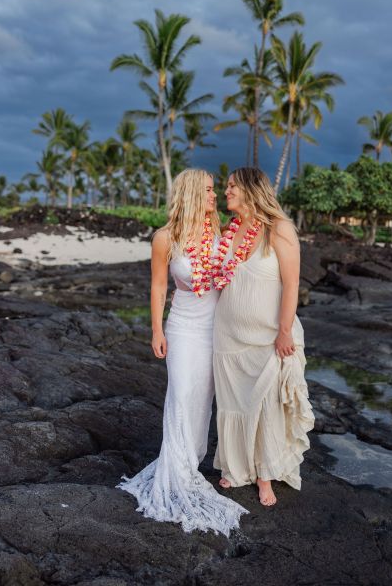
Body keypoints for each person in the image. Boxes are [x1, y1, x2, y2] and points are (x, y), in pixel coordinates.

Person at [117, 168, 248, 535]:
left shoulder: (220, 234)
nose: (215, 195)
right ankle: (174, 474)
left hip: (216, 330)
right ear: (191, 192)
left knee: (203, 402)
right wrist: (156, 329)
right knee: (182, 394)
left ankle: (190, 465)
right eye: (208, 190)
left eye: (214, 190)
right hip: (183, 327)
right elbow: (159, 287)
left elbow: (233, 281)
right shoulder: (165, 238)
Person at [213, 167, 315, 506]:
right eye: (226, 186)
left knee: (266, 404)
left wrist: (285, 330)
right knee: (233, 403)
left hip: (269, 336)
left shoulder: (279, 229)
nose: (225, 191)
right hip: (227, 334)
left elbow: (291, 283)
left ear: (249, 189)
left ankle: (265, 475)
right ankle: (236, 466)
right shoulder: (230, 229)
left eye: (231, 186)